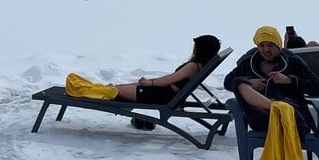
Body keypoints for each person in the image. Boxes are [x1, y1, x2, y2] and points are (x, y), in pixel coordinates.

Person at [224, 26, 319, 160]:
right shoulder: (249, 62)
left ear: (278, 45)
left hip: (293, 117)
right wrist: (249, 81)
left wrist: (290, 80)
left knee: (284, 115)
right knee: (239, 84)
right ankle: (276, 108)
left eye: (270, 45)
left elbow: (317, 87)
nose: (266, 50)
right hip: (262, 116)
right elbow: (227, 82)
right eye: (262, 45)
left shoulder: (292, 61)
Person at [64, 34, 222, 128]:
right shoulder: (200, 65)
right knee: (115, 88)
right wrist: (147, 82)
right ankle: (85, 87)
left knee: (113, 91)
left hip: (161, 95)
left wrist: (149, 83)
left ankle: (79, 89)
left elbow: (169, 80)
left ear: (200, 50)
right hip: (164, 93)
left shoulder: (193, 66)